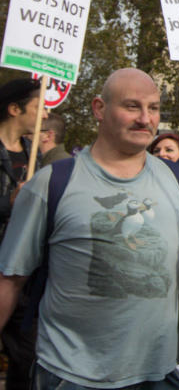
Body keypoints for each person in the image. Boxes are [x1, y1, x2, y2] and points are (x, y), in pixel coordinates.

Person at [0, 68, 179, 389]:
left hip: (157, 373)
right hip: (71, 375)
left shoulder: (177, 180)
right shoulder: (51, 184)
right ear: (99, 108)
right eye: (132, 106)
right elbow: (9, 280)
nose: (145, 118)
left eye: (154, 108)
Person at [0, 77, 46, 389]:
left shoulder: (34, 154)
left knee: (27, 362)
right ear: (15, 109)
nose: (43, 115)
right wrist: (9, 203)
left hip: (22, 276)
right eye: (37, 107)